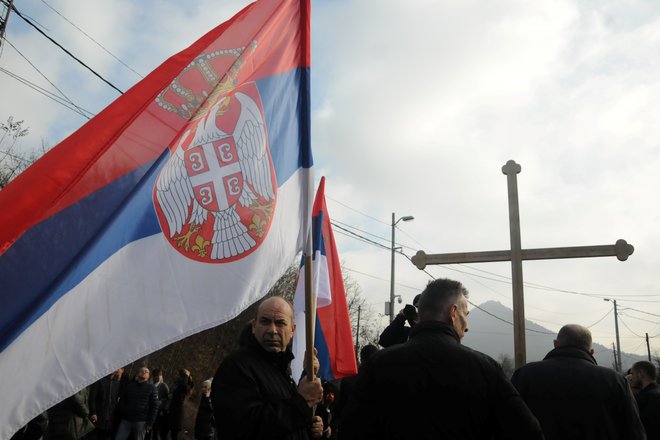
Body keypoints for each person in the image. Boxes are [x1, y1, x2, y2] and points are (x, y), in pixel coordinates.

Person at [340, 278, 543, 439]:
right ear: (453, 312)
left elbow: (352, 431)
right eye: (466, 313)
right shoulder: (484, 368)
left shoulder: (377, 366)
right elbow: (526, 431)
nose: (467, 325)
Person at [211, 295, 325, 439]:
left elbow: (286, 424)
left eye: (280, 323)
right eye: (265, 322)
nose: (272, 330)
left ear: (292, 330)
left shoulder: (282, 371)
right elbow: (243, 427)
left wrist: (310, 428)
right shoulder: (236, 367)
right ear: (254, 326)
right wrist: (301, 403)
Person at [511, 324, 646, 440]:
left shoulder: (524, 375)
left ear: (555, 344)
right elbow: (634, 433)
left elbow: (508, 425)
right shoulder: (616, 381)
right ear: (591, 351)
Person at [114, 367, 159, 440]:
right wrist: (124, 410)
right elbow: (122, 400)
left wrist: (150, 423)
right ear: (138, 373)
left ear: (148, 376)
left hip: (141, 421)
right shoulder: (130, 386)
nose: (144, 372)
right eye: (142, 371)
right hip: (126, 420)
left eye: (146, 371)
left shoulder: (152, 388)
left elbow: (154, 406)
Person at [89, 368, 125, 440]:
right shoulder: (99, 380)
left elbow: (116, 400)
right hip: (97, 416)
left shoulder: (117, 383)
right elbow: (92, 397)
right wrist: (93, 412)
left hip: (109, 419)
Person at [630, 360, 660, 439]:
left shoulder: (648, 398)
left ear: (641, 374)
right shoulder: (655, 393)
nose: (631, 378)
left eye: (632, 374)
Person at [168, 368, 194, 440]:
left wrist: (187, 376)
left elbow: (185, 386)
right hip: (171, 408)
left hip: (178, 410)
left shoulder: (187, 385)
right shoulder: (177, 383)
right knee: (170, 433)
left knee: (175, 433)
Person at [148, 368, 169, 440]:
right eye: (157, 375)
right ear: (153, 376)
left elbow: (167, 399)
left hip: (158, 411)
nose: (159, 377)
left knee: (155, 431)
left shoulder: (164, 386)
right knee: (148, 430)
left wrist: (161, 405)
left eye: (160, 375)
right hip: (148, 409)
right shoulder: (149, 384)